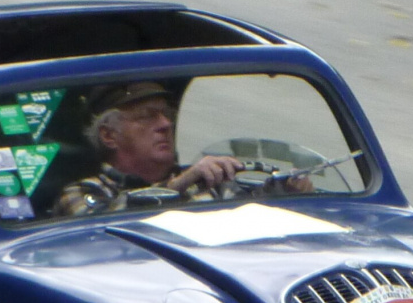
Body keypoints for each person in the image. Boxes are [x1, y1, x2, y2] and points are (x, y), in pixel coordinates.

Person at [53, 81, 306, 217]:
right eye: (147, 116)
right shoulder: (84, 193)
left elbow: (252, 218)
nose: (165, 124)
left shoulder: (208, 183)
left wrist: (288, 192)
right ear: (109, 136)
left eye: (167, 115)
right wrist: (180, 184)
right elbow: (99, 227)